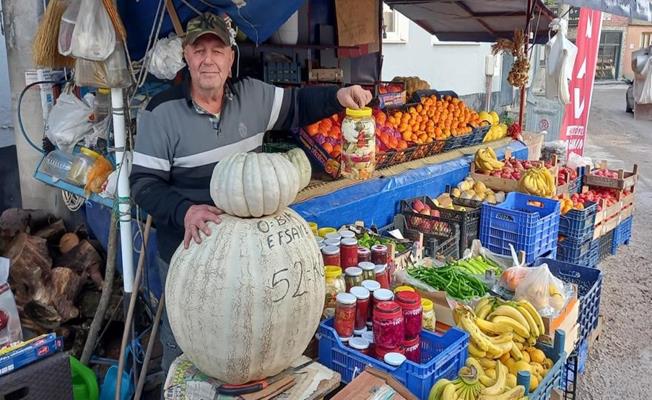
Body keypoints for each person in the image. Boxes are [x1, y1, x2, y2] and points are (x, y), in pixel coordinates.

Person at [130, 12, 372, 373]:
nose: (208, 59)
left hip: (250, 255)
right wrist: (186, 212)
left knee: (248, 339)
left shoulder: (253, 96)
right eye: (199, 51)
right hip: (191, 250)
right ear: (187, 57)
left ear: (230, 59)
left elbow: (299, 106)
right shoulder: (159, 112)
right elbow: (143, 185)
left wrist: (340, 95)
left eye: (217, 50)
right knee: (187, 344)